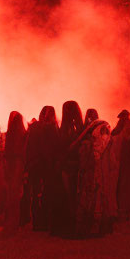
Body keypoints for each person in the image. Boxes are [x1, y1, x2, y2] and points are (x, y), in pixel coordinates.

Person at [25, 106, 60, 231]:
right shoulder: (51, 128)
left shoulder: (35, 127)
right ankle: (42, 222)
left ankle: (39, 222)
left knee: (37, 194)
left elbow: (29, 147)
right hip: (44, 166)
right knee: (42, 194)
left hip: (38, 165)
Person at [76, 117, 112, 237]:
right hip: (94, 169)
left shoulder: (92, 134)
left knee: (92, 196)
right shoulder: (102, 131)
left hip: (92, 170)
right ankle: (95, 226)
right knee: (95, 195)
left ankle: (91, 226)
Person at [52, 101, 83, 236]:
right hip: (72, 165)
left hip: (72, 165)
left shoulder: (69, 128)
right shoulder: (75, 128)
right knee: (72, 196)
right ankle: (73, 225)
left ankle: (73, 225)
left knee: (71, 196)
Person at [111, 111, 130, 219]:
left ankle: (124, 206)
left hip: (124, 157)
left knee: (124, 182)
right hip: (128, 158)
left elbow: (113, 135)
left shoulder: (120, 127)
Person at [3, 111, 27, 233]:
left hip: (11, 165)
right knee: (17, 195)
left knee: (10, 195)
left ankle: (9, 223)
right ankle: (15, 223)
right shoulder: (23, 134)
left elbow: (6, 152)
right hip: (18, 165)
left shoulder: (9, 135)